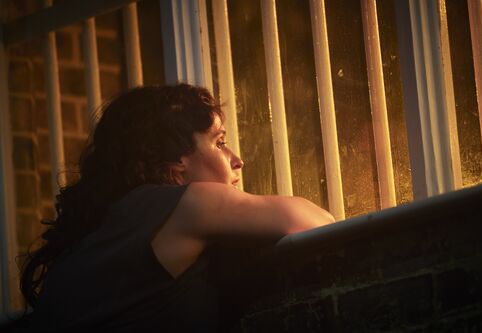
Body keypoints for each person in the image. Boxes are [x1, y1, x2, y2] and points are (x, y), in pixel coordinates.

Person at [14, 84, 334, 332]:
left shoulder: (101, 233)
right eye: (219, 142)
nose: (238, 159)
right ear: (177, 166)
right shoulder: (185, 208)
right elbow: (317, 223)